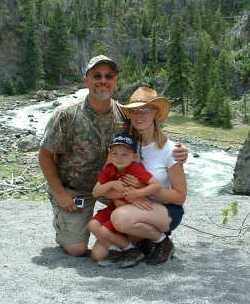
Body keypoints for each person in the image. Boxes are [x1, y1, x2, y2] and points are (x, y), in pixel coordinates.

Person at [38, 55, 188, 257]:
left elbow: (148, 134)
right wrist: (59, 192)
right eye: (97, 75)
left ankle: (150, 239)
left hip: (114, 187)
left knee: (107, 242)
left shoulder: (123, 115)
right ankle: (130, 236)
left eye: (109, 76)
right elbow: (45, 155)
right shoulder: (66, 114)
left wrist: (179, 151)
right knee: (77, 250)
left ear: (115, 80)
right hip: (76, 190)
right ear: (86, 80)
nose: (103, 81)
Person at [109, 87, 187, 265]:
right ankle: (145, 241)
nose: (139, 115)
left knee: (120, 219)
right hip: (138, 208)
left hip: (167, 211)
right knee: (101, 250)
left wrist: (143, 188)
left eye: (145, 110)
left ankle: (163, 241)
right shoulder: (128, 147)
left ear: (155, 113)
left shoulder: (170, 150)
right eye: (134, 111)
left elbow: (180, 197)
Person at [88, 133, 162, 266]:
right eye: (114, 153)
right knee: (93, 225)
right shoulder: (109, 169)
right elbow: (95, 193)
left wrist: (137, 193)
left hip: (131, 213)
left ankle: (132, 250)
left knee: (105, 230)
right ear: (109, 155)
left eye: (125, 154)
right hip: (115, 208)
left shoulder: (135, 168)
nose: (119, 158)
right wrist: (110, 185)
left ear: (135, 156)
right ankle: (116, 250)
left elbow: (156, 185)